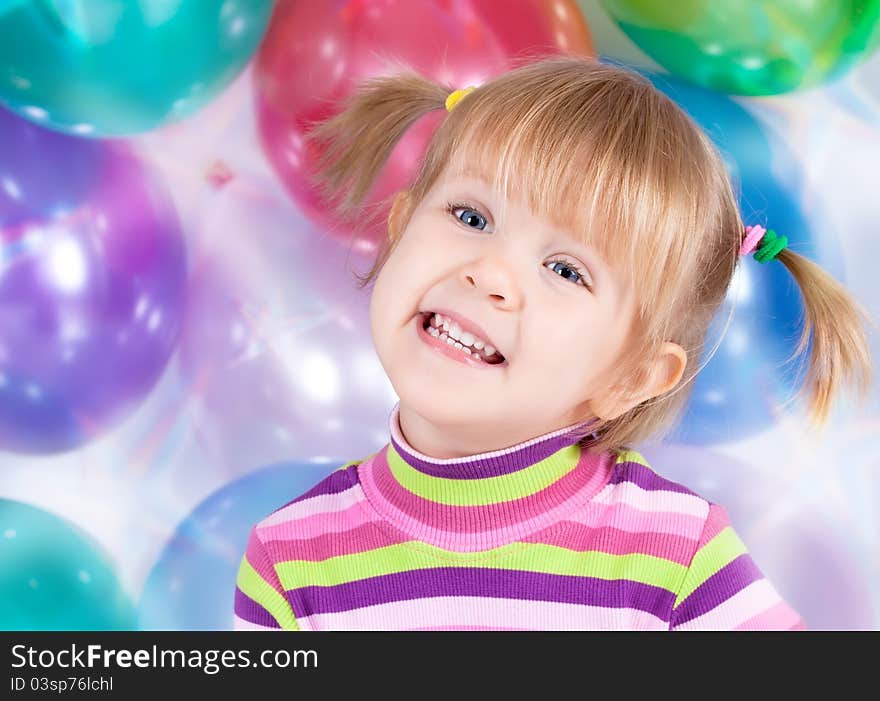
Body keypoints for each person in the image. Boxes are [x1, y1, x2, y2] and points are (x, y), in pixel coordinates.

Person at [233, 56, 874, 631]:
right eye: (471, 217)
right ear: (399, 231)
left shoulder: (675, 557)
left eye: (566, 270)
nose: (488, 273)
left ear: (632, 376)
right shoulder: (291, 558)